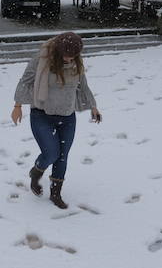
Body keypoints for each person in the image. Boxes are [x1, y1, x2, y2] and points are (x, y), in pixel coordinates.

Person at [12, 32, 101, 209]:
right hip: (42, 113)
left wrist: (93, 106)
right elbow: (25, 81)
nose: (69, 58)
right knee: (51, 153)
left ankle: (55, 193)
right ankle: (36, 172)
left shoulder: (76, 62)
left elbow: (82, 85)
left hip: (67, 115)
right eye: (66, 55)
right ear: (58, 50)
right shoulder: (42, 59)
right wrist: (18, 106)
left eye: (73, 55)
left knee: (62, 156)